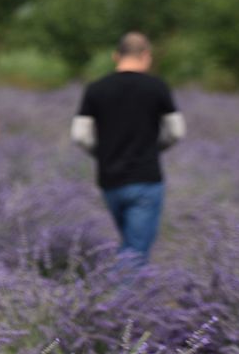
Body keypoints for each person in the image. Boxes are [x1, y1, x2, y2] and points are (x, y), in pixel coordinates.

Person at [71, 32, 185, 265]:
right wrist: (155, 147)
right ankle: (115, 300)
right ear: (146, 56)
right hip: (145, 179)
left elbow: (79, 135)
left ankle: (127, 295)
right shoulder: (156, 87)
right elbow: (176, 131)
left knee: (130, 244)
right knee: (135, 251)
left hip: (110, 180)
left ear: (116, 56)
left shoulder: (96, 89)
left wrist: (101, 152)